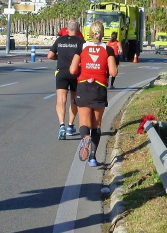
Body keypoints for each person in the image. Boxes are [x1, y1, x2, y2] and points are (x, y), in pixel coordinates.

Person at [69, 20, 118, 167]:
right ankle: (92, 158)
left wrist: (83, 67)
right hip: (99, 88)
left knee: (84, 122)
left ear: (90, 33)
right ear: (103, 34)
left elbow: (72, 70)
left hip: (84, 87)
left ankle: (85, 137)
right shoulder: (108, 49)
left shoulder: (82, 47)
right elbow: (113, 72)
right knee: (96, 125)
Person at [47, 20, 85, 140]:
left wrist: (59, 57)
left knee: (61, 100)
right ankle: (70, 126)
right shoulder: (81, 42)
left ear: (67, 29)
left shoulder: (60, 40)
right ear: (78, 30)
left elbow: (50, 55)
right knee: (74, 99)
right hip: (75, 73)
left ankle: (61, 125)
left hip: (61, 72)